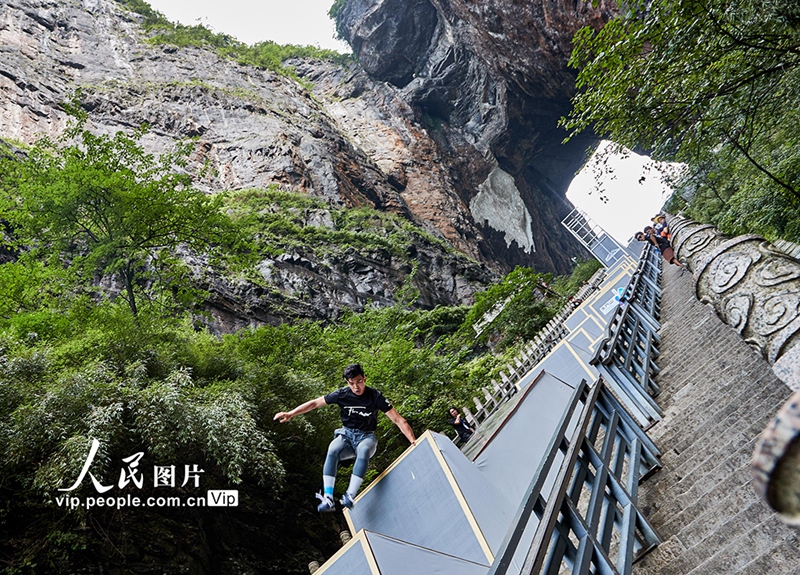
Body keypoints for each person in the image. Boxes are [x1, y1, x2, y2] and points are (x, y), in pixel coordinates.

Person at [273, 364, 416, 512]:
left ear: (364, 379)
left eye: (359, 382)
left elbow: (398, 419)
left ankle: (350, 495)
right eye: (351, 383)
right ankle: (328, 498)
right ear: (347, 382)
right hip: (347, 435)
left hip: (366, 436)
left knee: (364, 449)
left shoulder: (375, 396)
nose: (356, 387)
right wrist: (291, 414)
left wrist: (412, 440)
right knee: (333, 449)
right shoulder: (342, 395)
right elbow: (314, 403)